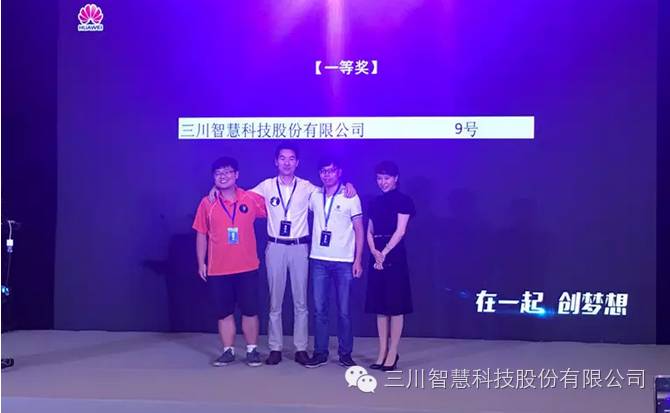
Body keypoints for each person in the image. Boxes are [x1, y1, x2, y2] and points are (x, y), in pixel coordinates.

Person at [209, 143, 356, 365]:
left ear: (297, 162)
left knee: (301, 303)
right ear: (276, 162)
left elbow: (331, 190)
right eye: (282, 158)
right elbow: (237, 193)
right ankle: (275, 348)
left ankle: (300, 348)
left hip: (299, 247)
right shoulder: (266, 186)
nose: (287, 162)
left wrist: (348, 185)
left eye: (291, 158)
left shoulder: (308, 187)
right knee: (275, 302)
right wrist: (216, 189)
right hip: (275, 247)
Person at [193, 157, 267, 367]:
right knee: (224, 312)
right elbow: (201, 234)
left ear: (237, 175)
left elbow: (277, 204)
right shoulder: (207, 203)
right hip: (218, 268)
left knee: (250, 310)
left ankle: (252, 350)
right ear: (213, 177)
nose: (223, 176)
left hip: (247, 266)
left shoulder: (251, 199)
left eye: (227, 172)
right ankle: (228, 351)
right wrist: (201, 262)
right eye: (218, 173)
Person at [304, 157, 364, 368]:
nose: (327, 175)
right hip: (318, 259)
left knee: (344, 311)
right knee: (319, 309)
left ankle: (345, 353)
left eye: (331, 171)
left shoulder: (350, 196)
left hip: (344, 261)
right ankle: (320, 352)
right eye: (323, 171)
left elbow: (359, 229)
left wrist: (358, 260)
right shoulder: (314, 195)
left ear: (339, 172)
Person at [364, 161, 416, 371]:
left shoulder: (404, 201)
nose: (383, 182)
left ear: (396, 178)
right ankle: (382, 352)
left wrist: (384, 253)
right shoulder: (374, 202)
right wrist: (374, 251)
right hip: (376, 255)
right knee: (380, 306)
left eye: (386, 178)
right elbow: (369, 230)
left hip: (394, 255)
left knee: (395, 306)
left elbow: (400, 231)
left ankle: (393, 352)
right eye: (379, 178)